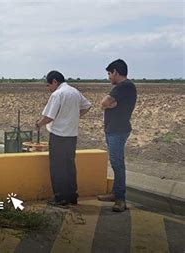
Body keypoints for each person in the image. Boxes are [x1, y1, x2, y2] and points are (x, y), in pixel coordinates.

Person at [36, 70, 91, 207]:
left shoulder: (57, 94)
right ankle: (72, 196)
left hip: (58, 135)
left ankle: (60, 198)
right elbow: (87, 106)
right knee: (69, 166)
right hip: (71, 135)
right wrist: (74, 117)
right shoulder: (74, 91)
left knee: (57, 168)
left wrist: (39, 124)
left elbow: (49, 116)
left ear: (55, 81)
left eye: (49, 86)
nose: (49, 89)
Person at [97, 59, 137, 212]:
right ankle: (115, 193)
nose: (108, 77)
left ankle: (120, 199)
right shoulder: (124, 87)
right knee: (115, 163)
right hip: (114, 129)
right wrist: (107, 105)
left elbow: (104, 101)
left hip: (117, 131)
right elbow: (105, 104)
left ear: (115, 72)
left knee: (117, 164)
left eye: (109, 73)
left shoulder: (123, 86)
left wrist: (107, 104)